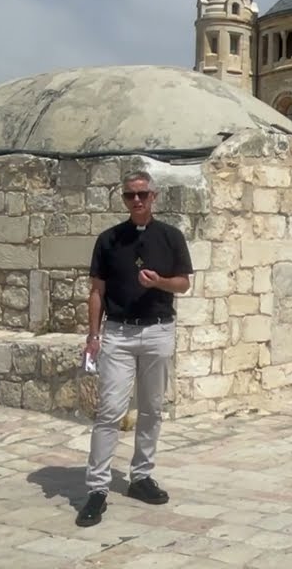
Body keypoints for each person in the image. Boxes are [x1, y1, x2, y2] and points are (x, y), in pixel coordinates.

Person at [76, 170, 193, 528]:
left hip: (158, 331)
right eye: (130, 195)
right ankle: (97, 489)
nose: (137, 200)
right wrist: (93, 336)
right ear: (124, 199)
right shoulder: (109, 239)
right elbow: (97, 290)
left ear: (154, 196)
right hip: (119, 335)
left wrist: (159, 281)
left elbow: (184, 284)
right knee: (109, 410)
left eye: (143, 194)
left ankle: (141, 477)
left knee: (152, 409)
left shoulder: (171, 237)